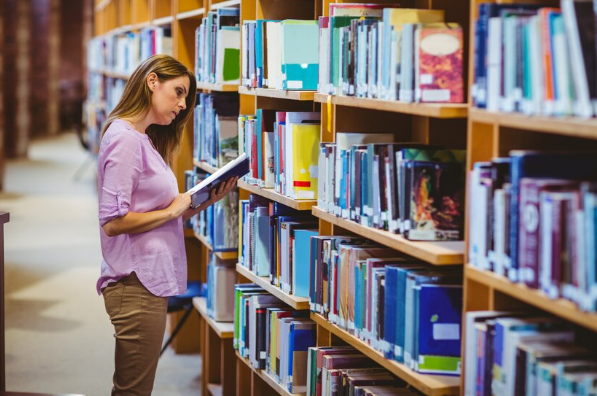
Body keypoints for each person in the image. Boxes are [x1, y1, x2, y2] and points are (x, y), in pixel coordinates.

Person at [96, 54, 238, 395]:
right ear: (152, 81)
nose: (183, 103)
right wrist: (174, 211)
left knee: (135, 386)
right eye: (178, 91)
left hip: (146, 282)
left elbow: (153, 213)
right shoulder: (126, 139)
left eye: (186, 96)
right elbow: (113, 222)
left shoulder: (143, 138)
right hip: (135, 285)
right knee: (133, 389)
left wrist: (197, 202)